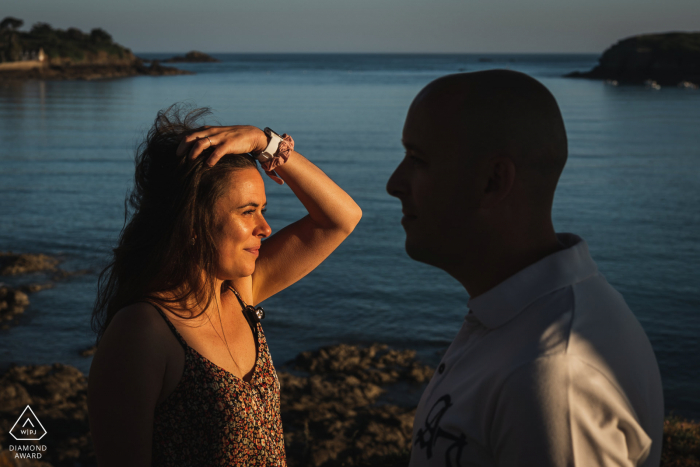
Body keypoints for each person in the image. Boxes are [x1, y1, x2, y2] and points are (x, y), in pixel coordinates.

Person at [386, 70, 664, 467]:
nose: (394, 183)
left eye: (417, 160)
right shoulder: (518, 321)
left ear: (493, 181)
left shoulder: (552, 375)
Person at [88, 106, 362, 466]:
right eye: (248, 212)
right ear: (192, 222)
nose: (264, 228)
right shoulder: (142, 333)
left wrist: (265, 143)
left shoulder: (237, 293)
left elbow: (342, 218)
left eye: (262, 210)